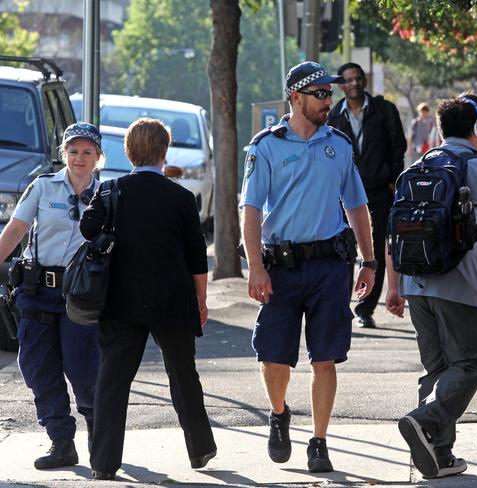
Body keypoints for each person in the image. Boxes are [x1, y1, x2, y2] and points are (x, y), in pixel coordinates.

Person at [240, 61, 375, 473]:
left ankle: (319, 441)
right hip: (279, 267)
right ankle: (279, 414)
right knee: (274, 357)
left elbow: (356, 205)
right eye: (320, 94)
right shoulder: (265, 146)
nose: (328, 101)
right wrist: (255, 267)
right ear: (295, 97)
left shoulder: (339, 144)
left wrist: (369, 261)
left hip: (330, 266)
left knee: (326, 356)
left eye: (329, 93)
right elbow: (250, 211)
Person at [385, 94, 477, 479]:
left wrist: (393, 287)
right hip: (465, 288)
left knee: (437, 370)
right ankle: (425, 420)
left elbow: (394, 231)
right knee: (474, 361)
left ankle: (439, 455)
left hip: (416, 285)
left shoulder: (415, 168)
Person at [81, 118, 216, 480]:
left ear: (127, 152)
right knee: (183, 374)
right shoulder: (181, 197)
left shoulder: (110, 190)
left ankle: (104, 462)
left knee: (112, 380)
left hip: (119, 300)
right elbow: (196, 256)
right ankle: (200, 448)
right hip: (172, 300)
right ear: (164, 152)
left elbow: (87, 229)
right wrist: (201, 299)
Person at [0, 123, 101, 470]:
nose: (79, 158)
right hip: (39, 291)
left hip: (82, 297)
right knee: (39, 368)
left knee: (84, 369)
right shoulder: (43, 187)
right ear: (64, 154)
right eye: (73, 151)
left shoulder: (108, 194)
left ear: (98, 157)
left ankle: (99, 432)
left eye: (87, 152)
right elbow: (14, 231)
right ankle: (61, 442)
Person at [327, 62, 407, 329]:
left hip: (378, 189)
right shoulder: (333, 116)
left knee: (373, 248)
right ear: (341, 85)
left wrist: (392, 179)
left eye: (358, 78)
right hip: (342, 192)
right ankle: (341, 305)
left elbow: (399, 146)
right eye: (348, 80)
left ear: (364, 81)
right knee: (343, 247)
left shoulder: (384, 110)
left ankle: (365, 307)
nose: (354, 84)